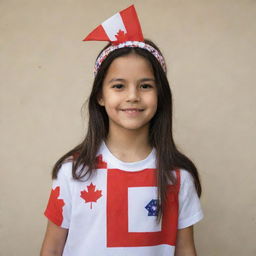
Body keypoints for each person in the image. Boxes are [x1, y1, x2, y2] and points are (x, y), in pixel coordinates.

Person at [40, 5, 203, 256]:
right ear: (100, 96)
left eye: (145, 85)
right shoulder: (72, 171)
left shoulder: (178, 175)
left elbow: (185, 249)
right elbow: (51, 248)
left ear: (160, 95)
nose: (133, 96)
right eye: (118, 85)